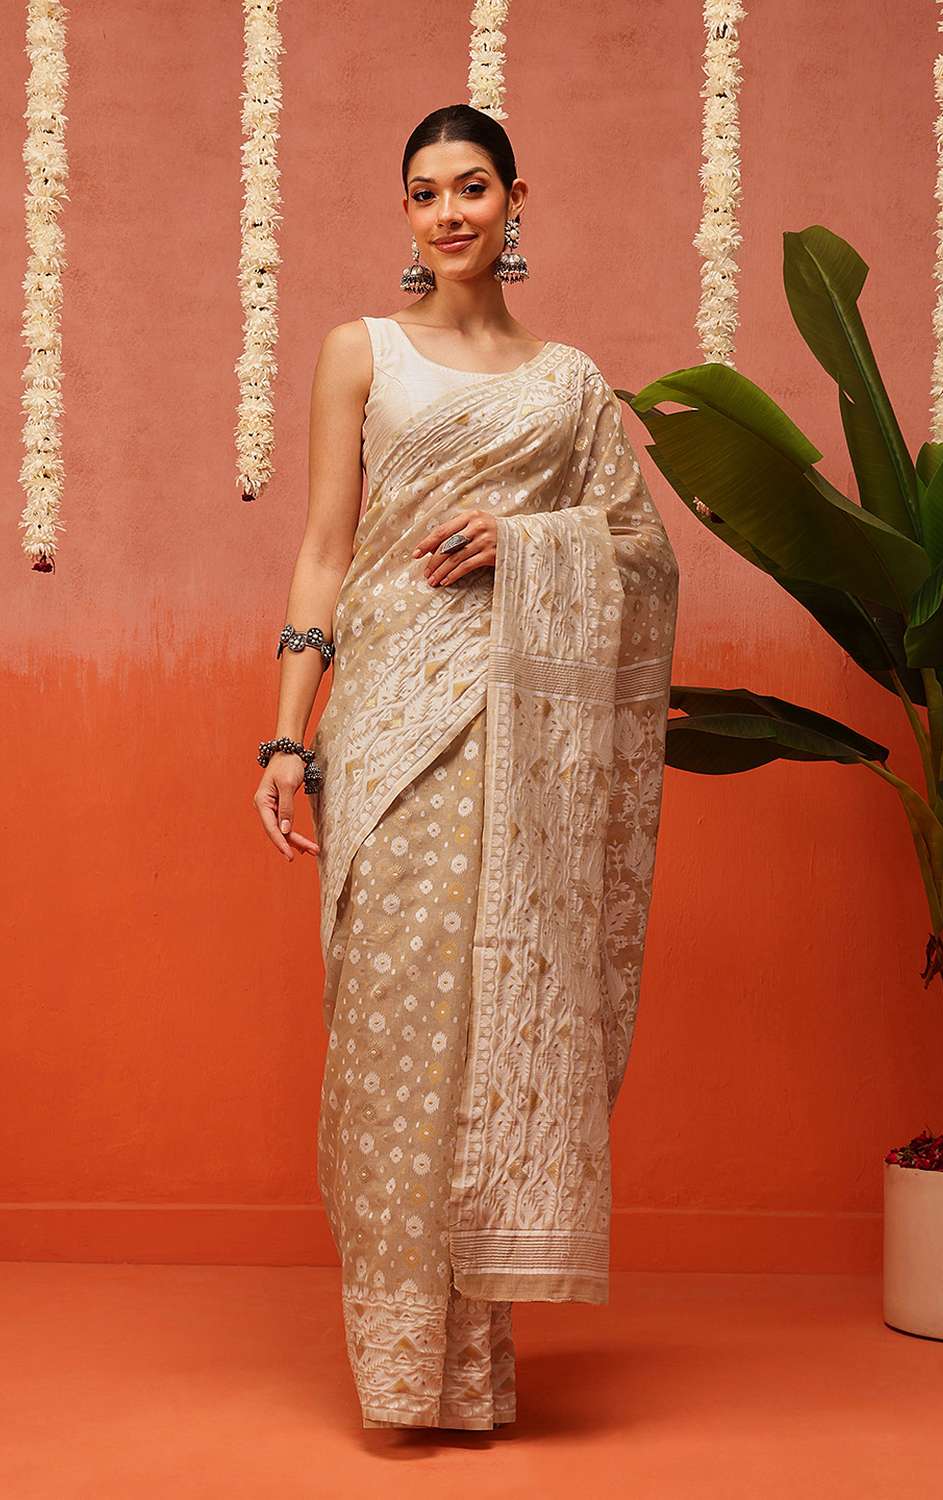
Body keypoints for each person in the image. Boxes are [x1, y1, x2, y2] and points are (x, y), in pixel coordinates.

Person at [253, 103, 680, 1431]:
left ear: (514, 199)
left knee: (483, 1033)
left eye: (473, 186)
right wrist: (288, 732)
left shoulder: (568, 386)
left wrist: (532, 537)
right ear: (407, 212)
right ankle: (399, 1366)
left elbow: (642, 552)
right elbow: (326, 549)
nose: (449, 212)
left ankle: (471, 1370)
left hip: (513, 742)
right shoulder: (360, 352)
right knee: (392, 1032)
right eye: (426, 192)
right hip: (387, 730)